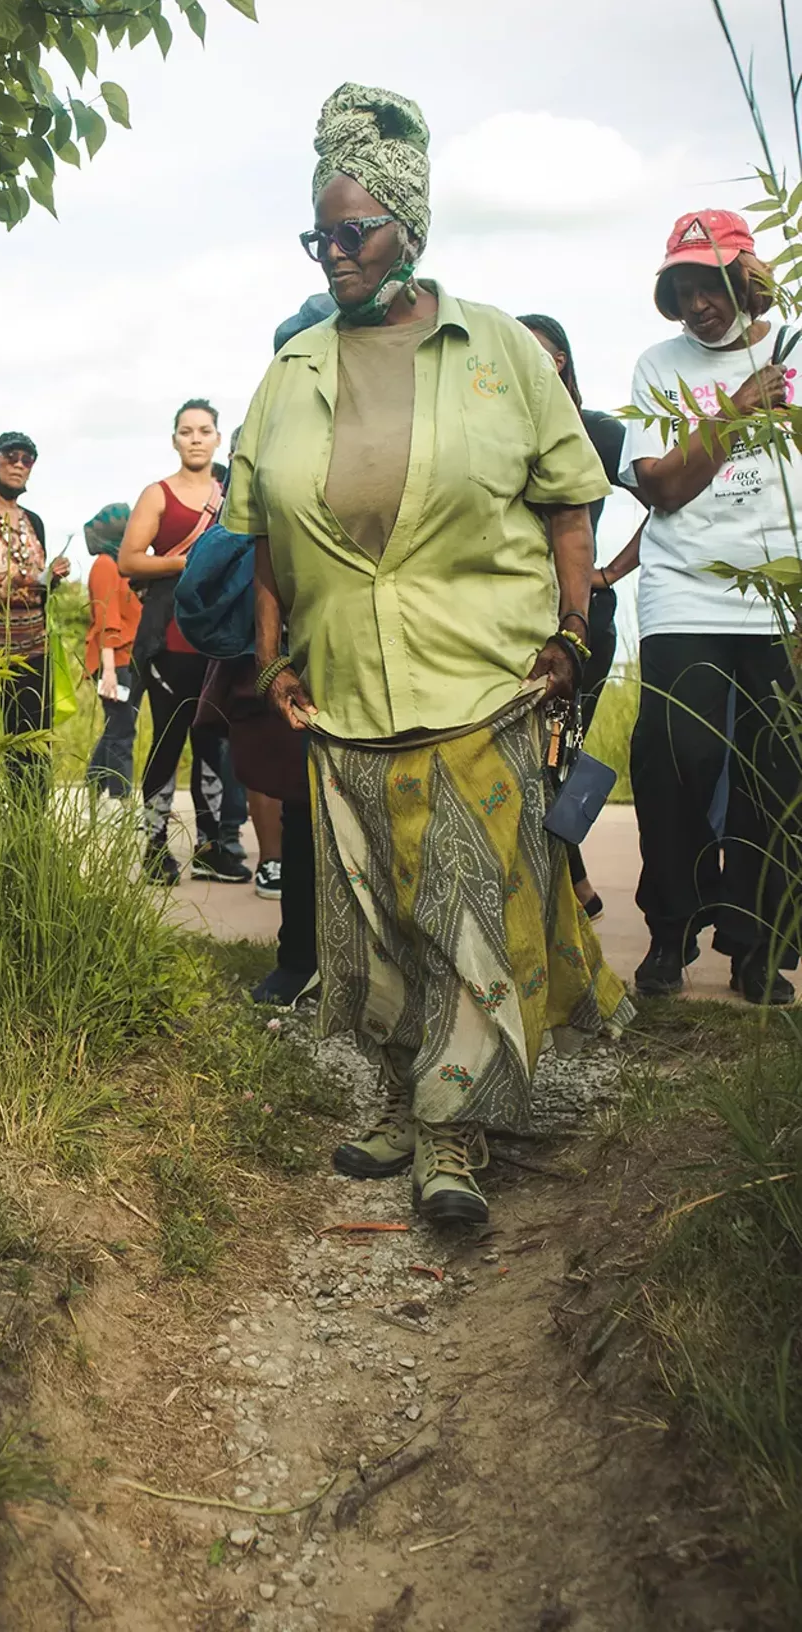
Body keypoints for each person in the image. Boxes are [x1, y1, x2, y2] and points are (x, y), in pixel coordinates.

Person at [225, 82, 630, 1226]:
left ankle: (454, 1133)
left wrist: (569, 627)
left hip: (476, 681)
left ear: (409, 226)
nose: (333, 256)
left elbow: (566, 504)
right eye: (319, 235)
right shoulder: (291, 369)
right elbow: (261, 538)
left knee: (465, 905)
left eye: (352, 233)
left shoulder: (496, 348)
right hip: (344, 690)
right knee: (371, 926)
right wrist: (275, 659)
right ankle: (401, 1102)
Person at [619, 209, 802, 1005]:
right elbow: (659, 486)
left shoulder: (792, 350)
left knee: (775, 775)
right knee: (675, 762)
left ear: (749, 279)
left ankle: (758, 947)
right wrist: (735, 410)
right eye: (684, 288)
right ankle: (670, 930)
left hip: (778, 597)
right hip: (684, 592)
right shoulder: (658, 365)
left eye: (714, 283)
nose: (699, 304)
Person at [518, 313, 643, 918]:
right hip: (512, 618)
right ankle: (565, 881)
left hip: (581, 621)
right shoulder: (504, 434)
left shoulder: (599, 433)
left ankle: (570, 881)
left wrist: (609, 573)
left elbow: (669, 498)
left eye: (535, 351)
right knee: (526, 757)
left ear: (561, 360)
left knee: (562, 753)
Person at [119, 400, 248, 887]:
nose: (196, 438)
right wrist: (189, 562)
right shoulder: (158, 495)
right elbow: (130, 560)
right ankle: (155, 847)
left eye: (205, 431)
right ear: (174, 439)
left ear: (219, 440)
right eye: (186, 431)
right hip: (168, 640)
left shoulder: (231, 493)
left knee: (214, 744)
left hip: (220, 643)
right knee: (169, 742)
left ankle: (214, 847)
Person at [0, 433, 70, 756]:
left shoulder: (34, 521)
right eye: (11, 456)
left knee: (31, 746)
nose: (18, 465)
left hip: (34, 649)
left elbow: (36, 582)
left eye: (27, 459)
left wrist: (53, 577)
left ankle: (29, 807)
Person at [83, 502, 142, 799]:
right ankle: (120, 798)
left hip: (127, 660)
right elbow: (106, 618)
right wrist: (108, 670)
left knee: (117, 728)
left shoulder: (123, 564)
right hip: (114, 661)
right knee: (122, 733)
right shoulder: (106, 564)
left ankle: (93, 783)